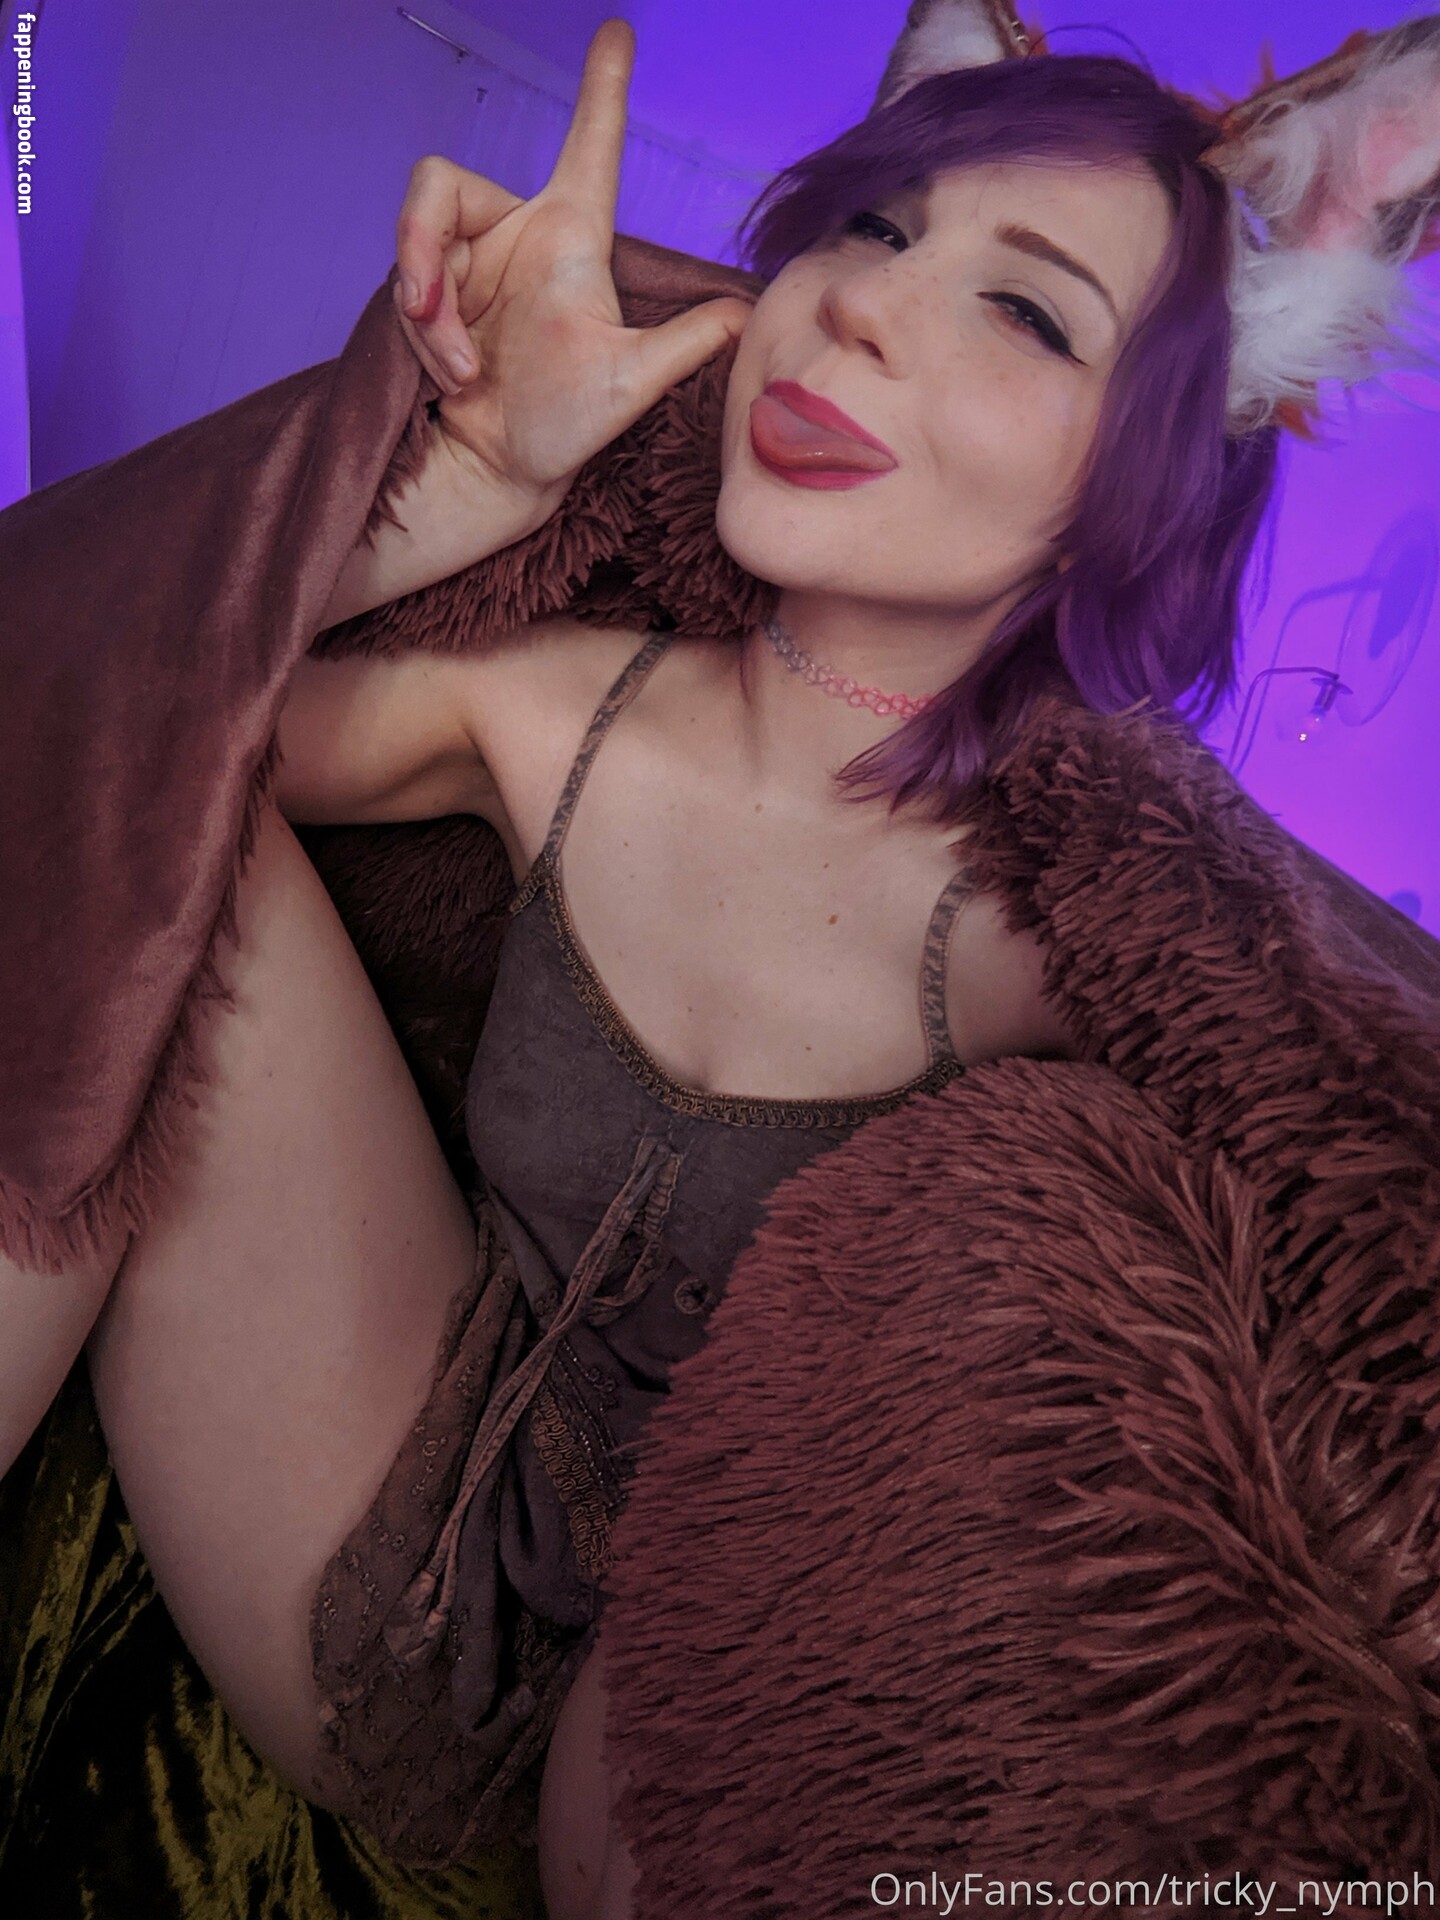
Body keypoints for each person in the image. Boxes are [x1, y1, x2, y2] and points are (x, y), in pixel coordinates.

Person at [3, 8, 1440, 1918]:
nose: (861, 308)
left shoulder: (1070, 946)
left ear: (1149, 483)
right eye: (876, 227)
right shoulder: (551, 711)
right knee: (145, 850)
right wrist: (461, 482)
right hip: (366, 1500)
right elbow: (100, 721)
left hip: (694, 1735)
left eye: (1029, 312)